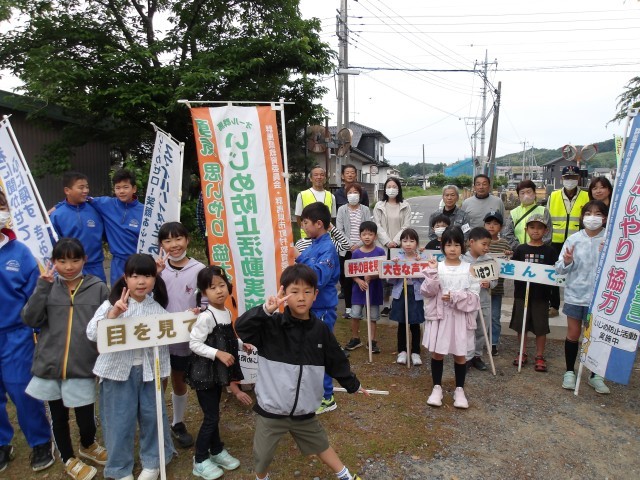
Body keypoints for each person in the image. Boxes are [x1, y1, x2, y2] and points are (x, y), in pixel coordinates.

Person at [234, 264, 366, 480]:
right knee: (262, 456)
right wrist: (266, 310)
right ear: (284, 294)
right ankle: (261, 477)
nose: (301, 297)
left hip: (304, 410)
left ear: (316, 294)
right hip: (272, 410)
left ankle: (345, 476)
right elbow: (242, 327)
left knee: (321, 444)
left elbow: (336, 361)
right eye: (294, 291)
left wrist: (353, 384)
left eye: (307, 291)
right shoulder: (271, 325)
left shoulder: (320, 330)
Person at [22, 238, 109, 480]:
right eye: (62, 261)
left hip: (82, 364)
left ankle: (88, 444)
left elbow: (107, 324)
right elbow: (30, 319)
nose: (68, 267)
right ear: (53, 262)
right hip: (50, 366)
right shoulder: (47, 286)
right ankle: (69, 458)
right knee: (58, 417)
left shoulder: (98, 287)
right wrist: (42, 288)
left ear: (85, 260)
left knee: (86, 416)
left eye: (74, 260)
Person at [87, 254, 176, 480]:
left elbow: (172, 330)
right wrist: (113, 315)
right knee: (118, 421)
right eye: (135, 276)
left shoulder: (156, 308)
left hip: (148, 373)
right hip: (117, 373)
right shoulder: (111, 303)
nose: (141, 281)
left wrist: (190, 319)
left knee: (152, 417)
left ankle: (154, 461)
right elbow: (92, 333)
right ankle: (119, 468)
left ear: (155, 279)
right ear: (125, 278)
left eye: (147, 276)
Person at [0, 191, 55, 473]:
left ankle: (40, 441)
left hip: (15, 334)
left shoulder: (19, 252)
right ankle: (2, 443)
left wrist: (38, 330)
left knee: (22, 390)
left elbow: (34, 298)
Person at [187, 266, 243, 479]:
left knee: (214, 413)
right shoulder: (206, 317)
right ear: (204, 293)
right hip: (204, 374)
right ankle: (200, 459)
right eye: (212, 287)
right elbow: (194, 343)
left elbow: (226, 339)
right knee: (211, 417)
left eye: (222, 285)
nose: (219, 291)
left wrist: (241, 344)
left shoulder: (226, 312)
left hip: (217, 374)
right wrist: (217, 353)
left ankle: (217, 450)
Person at [156, 222, 206, 449]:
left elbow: (206, 301)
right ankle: (156, 422)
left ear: (187, 240)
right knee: (158, 381)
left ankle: (177, 422)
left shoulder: (199, 269)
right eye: (167, 240)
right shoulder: (156, 269)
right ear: (161, 245)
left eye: (178, 239)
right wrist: (155, 274)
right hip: (158, 337)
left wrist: (199, 312)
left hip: (184, 338)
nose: (174, 245)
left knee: (179, 378)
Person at [421, 227, 481, 409]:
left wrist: (456, 297)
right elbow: (427, 291)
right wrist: (432, 273)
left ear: (462, 246)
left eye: (456, 245)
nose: (452, 249)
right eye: (448, 245)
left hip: (460, 318)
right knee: (437, 353)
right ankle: (436, 387)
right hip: (440, 317)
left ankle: (459, 389)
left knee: (460, 354)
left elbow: (475, 297)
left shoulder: (469, 269)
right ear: (443, 246)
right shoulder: (437, 267)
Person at [556, 201, 610, 394]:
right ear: (582, 216)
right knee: (573, 334)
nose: (592, 217)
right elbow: (559, 268)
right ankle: (570, 371)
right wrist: (567, 261)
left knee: (596, 336)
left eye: (598, 213)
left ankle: (596, 375)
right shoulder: (574, 239)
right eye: (588, 213)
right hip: (576, 295)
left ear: (605, 217)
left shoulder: (610, 239)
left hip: (602, 298)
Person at [293, 202, 341, 414]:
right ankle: (315, 391)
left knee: (320, 351)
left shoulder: (328, 248)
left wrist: (297, 258)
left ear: (318, 224)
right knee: (309, 351)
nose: (303, 227)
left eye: (305, 223)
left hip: (323, 309)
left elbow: (317, 277)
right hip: (312, 307)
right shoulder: (313, 245)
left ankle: (327, 397)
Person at [508, 215, 558, 372]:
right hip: (522, 294)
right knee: (521, 326)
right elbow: (513, 269)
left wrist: (554, 299)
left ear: (546, 230)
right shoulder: (520, 249)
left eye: (539, 228)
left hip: (541, 296)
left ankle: (539, 355)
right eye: (532, 227)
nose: (535, 231)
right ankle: (522, 352)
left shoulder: (550, 251)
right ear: (526, 229)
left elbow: (555, 275)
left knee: (541, 327)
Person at [547, 165, 590, 317]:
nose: (570, 180)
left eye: (573, 177)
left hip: (577, 242)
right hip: (556, 241)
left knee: (578, 271)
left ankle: (578, 303)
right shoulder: (553, 196)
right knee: (554, 272)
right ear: (562, 179)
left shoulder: (586, 196)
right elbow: (547, 219)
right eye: (567, 177)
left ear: (579, 178)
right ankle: (554, 305)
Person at [90, 169, 144, 285]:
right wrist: (58, 206)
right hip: (118, 263)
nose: (121, 191)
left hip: (139, 262)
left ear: (134, 189)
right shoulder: (106, 204)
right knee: (118, 294)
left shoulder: (144, 212)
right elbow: (83, 198)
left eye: (125, 187)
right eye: (118, 188)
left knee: (140, 293)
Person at [49, 171, 106, 282]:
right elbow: (54, 245)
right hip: (71, 270)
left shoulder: (96, 209)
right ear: (67, 190)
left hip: (96, 267)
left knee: (100, 293)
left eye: (87, 187)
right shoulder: (57, 215)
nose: (85, 191)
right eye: (81, 187)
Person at [344, 221, 385, 354]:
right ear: (360, 236)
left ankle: (372, 341)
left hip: (374, 289)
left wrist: (372, 276)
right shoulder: (356, 253)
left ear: (375, 236)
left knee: (373, 316)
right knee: (355, 314)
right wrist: (358, 280)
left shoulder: (380, 251)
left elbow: (383, 270)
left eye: (370, 234)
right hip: (359, 289)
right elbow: (351, 271)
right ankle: (355, 338)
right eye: (364, 234)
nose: (367, 237)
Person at [373, 177, 411, 316]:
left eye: (394, 186)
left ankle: (397, 304)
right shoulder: (379, 206)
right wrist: (387, 241)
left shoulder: (405, 205)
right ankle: (386, 305)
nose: (391, 189)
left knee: (398, 275)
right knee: (384, 277)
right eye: (389, 186)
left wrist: (395, 241)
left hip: (399, 245)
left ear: (399, 188)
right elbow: (377, 225)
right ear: (385, 189)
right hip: (383, 245)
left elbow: (406, 225)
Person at [388, 228, 425, 366]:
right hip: (400, 293)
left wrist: (420, 265)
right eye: (405, 241)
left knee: (415, 324)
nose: (408, 244)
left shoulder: (422, 258)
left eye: (412, 241)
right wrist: (394, 266)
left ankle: (415, 352)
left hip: (416, 294)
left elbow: (427, 280)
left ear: (417, 243)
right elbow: (390, 280)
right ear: (401, 243)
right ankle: (402, 351)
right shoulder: (397, 258)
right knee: (402, 323)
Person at [462, 227, 497, 371]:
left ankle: (477, 356)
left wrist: (489, 284)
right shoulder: (462, 260)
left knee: (482, 330)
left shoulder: (490, 260)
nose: (486, 247)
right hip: (467, 303)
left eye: (489, 244)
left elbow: (494, 281)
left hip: (484, 302)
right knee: (467, 330)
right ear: (472, 242)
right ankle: (466, 357)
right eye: (484, 244)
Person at [336, 182, 372, 319]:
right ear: (346, 195)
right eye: (350, 192)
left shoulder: (365, 210)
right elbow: (339, 230)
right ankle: (348, 308)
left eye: (355, 192)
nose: (353, 195)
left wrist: (358, 244)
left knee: (364, 277)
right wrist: (350, 245)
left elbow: (369, 228)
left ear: (360, 195)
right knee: (347, 279)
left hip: (363, 248)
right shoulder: (342, 210)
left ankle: (362, 307)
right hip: (346, 250)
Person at [484, 211, 511, 356]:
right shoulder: (480, 242)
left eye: (495, 224)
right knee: (480, 316)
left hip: (497, 288)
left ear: (501, 227)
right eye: (488, 223)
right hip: (480, 288)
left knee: (494, 317)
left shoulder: (504, 243)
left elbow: (509, 264)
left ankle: (493, 342)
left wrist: (508, 255)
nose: (491, 226)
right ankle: (480, 340)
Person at [502, 179, 551, 250]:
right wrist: (521, 249)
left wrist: (537, 248)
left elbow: (548, 234)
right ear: (518, 196)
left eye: (529, 192)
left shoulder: (543, 211)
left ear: (534, 193)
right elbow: (508, 234)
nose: (526, 195)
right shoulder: (514, 212)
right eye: (522, 193)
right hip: (518, 252)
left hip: (540, 252)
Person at [294, 166, 336, 238]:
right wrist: (305, 229)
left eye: (322, 175)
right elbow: (298, 217)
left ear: (325, 178)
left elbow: (332, 218)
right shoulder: (302, 195)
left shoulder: (331, 196)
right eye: (316, 175)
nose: (319, 177)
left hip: (325, 237)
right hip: (308, 237)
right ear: (311, 178)